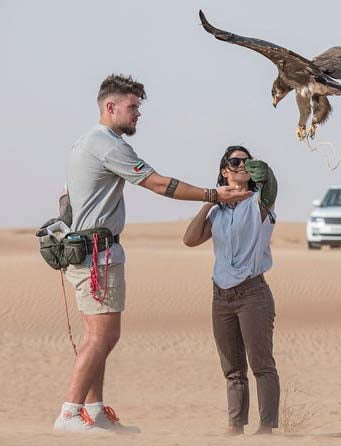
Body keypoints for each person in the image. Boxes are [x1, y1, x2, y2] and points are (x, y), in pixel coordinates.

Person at [52, 74, 252, 433]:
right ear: (110, 107)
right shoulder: (108, 145)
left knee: (97, 335)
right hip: (97, 254)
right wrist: (214, 195)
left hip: (88, 251)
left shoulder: (85, 143)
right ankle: (69, 413)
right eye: (132, 107)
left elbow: (66, 200)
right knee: (102, 337)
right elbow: (158, 184)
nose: (138, 114)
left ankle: (94, 412)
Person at [183, 145, 280, 435]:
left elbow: (271, 189)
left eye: (246, 162)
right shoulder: (217, 211)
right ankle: (235, 426)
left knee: (261, 363)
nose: (242, 165)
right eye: (235, 161)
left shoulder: (259, 203)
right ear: (225, 171)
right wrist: (209, 201)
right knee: (232, 368)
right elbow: (189, 239)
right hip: (221, 296)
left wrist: (268, 177)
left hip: (252, 293)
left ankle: (266, 429)